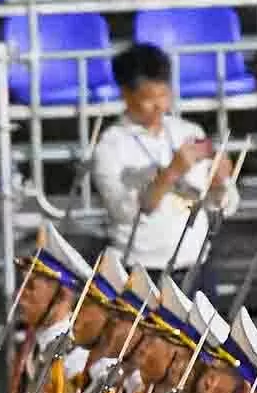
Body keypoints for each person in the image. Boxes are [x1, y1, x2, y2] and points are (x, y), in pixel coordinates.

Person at [89, 42, 238, 274]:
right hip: (141, 268)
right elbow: (122, 211)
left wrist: (220, 182)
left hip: (196, 264)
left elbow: (223, 206)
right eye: (149, 98)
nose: (159, 105)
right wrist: (171, 174)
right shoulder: (111, 145)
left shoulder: (189, 132)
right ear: (126, 94)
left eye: (164, 95)